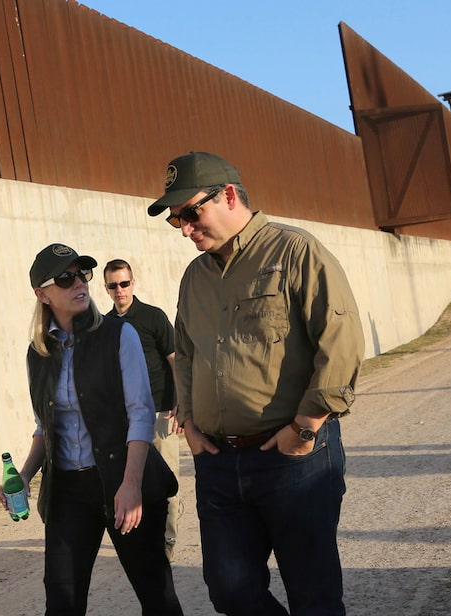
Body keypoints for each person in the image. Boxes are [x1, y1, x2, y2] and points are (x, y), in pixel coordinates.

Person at [147, 152, 365, 615]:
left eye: (191, 213)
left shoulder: (295, 251)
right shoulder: (194, 277)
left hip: (293, 459)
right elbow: (184, 354)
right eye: (175, 221)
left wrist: (305, 427)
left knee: (314, 595)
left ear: (228, 195)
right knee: (230, 591)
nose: (185, 229)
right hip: (219, 464)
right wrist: (188, 419)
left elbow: (341, 341)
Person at [0, 243, 183, 616]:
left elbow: (141, 414)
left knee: (156, 595)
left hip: (122, 479)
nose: (79, 283)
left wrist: (131, 485)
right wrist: (23, 474)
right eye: (65, 278)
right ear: (42, 293)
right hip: (68, 491)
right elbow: (45, 427)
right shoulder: (39, 353)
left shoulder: (118, 335)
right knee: (62, 601)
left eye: (82, 273)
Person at [103, 258, 183, 561]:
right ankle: (143, 536)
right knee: (131, 479)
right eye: (113, 285)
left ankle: (167, 540)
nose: (119, 289)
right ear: (107, 289)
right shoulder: (106, 326)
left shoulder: (153, 317)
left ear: (133, 283)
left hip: (161, 412)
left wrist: (182, 400)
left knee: (166, 480)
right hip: (125, 419)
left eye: (124, 283)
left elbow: (175, 358)